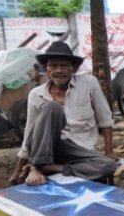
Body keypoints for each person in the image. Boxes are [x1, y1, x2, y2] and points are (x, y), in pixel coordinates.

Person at [7, 42, 117, 186]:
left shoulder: (89, 84)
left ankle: (53, 168)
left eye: (64, 65)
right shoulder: (36, 94)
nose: (58, 70)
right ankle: (36, 167)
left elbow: (105, 119)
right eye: (53, 65)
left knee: (108, 165)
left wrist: (109, 151)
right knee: (51, 107)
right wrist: (18, 169)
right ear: (47, 69)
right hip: (48, 148)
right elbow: (30, 131)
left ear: (74, 68)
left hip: (79, 150)